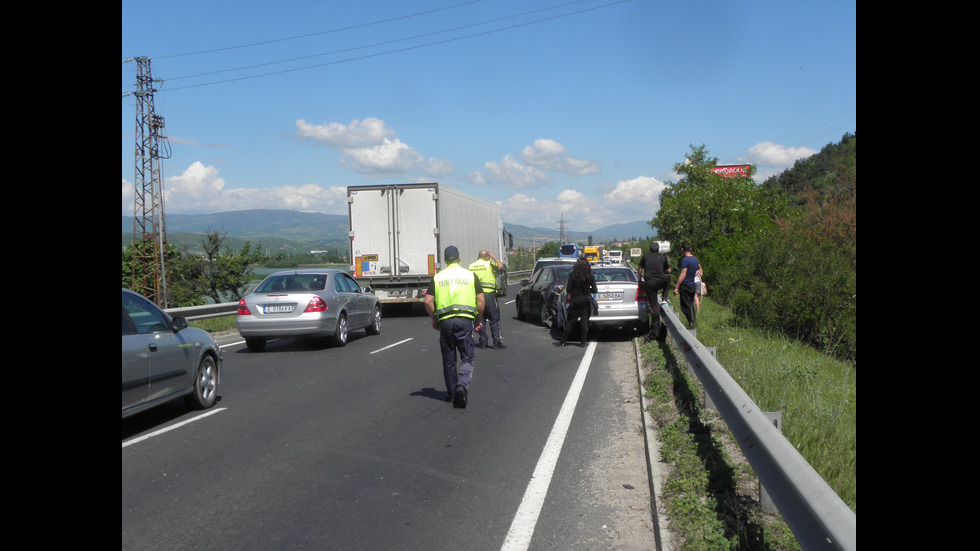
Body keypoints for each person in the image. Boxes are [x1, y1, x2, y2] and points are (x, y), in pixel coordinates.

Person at [425, 246, 485, 409]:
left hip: (445, 322)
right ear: (459, 258)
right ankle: (462, 386)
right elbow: (481, 302)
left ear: (445, 260)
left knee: (449, 358)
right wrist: (478, 320)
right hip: (465, 321)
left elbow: (428, 301)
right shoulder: (470, 276)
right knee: (467, 357)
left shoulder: (437, 278)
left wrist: (434, 319)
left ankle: (451, 393)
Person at [468, 250, 505, 349]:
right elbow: (500, 266)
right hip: (489, 295)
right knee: (494, 318)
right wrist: (493, 256)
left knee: (481, 318)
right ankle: (497, 342)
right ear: (487, 257)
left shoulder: (471, 266)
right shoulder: (489, 264)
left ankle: (483, 342)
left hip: (476, 296)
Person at [558, 257, 597, 347]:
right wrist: (588, 290)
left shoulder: (573, 274)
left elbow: (568, 289)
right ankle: (583, 342)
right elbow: (595, 290)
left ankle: (563, 341)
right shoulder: (590, 275)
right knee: (584, 322)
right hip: (586, 300)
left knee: (570, 321)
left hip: (575, 300)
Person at [636, 242, 671, 341]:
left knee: (654, 305)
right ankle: (664, 297)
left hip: (649, 284)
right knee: (669, 278)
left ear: (650, 249)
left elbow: (639, 269)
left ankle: (656, 323)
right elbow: (668, 271)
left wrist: (639, 281)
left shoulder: (645, 256)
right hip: (660, 282)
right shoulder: (663, 257)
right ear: (658, 249)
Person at [673, 242, 700, 329]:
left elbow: (683, 275)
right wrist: (692, 275)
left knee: (685, 307)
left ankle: (691, 322)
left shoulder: (685, 260)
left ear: (682, 249)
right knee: (691, 305)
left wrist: (676, 287)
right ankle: (693, 323)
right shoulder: (695, 259)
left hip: (686, 286)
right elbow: (698, 270)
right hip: (693, 285)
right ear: (690, 249)